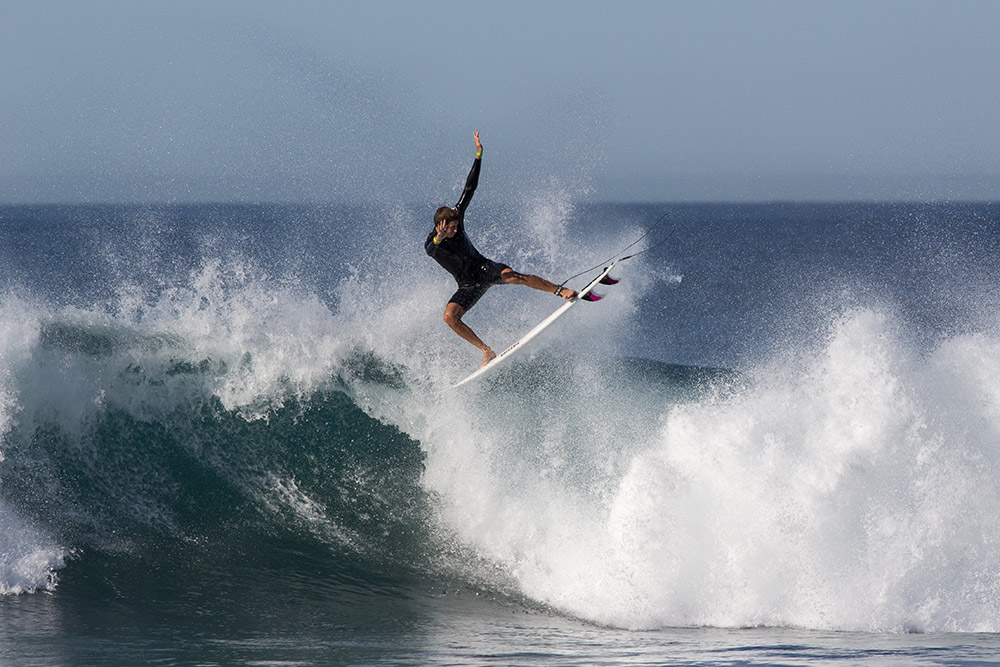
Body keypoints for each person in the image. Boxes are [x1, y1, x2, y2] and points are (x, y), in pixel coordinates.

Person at [425, 131, 577, 367]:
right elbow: (429, 250)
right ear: (439, 226)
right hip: (467, 285)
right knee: (449, 317)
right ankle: (486, 351)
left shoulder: (457, 216)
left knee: (515, 277)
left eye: (456, 227)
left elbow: (469, 189)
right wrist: (439, 238)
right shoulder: (434, 240)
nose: (455, 230)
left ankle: (560, 290)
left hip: (485, 268)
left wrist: (478, 155)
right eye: (451, 228)